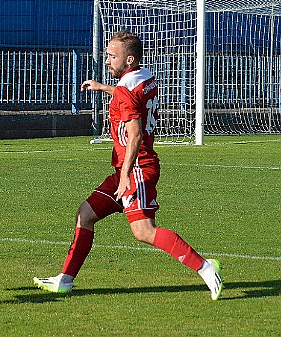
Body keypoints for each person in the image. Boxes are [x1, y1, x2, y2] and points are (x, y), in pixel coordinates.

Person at [34, 30, 223, 300]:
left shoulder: (125, 89)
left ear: (129, 60)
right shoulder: (144, 77)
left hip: (135, 169)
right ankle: (65, 279)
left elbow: (134, 134)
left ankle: (205, 267)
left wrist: (124, 177)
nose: (107, 60)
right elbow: (128, 96)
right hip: (126, 169)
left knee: (144, 231)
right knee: (85, 215)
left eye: (112, 56)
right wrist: (104, 88)